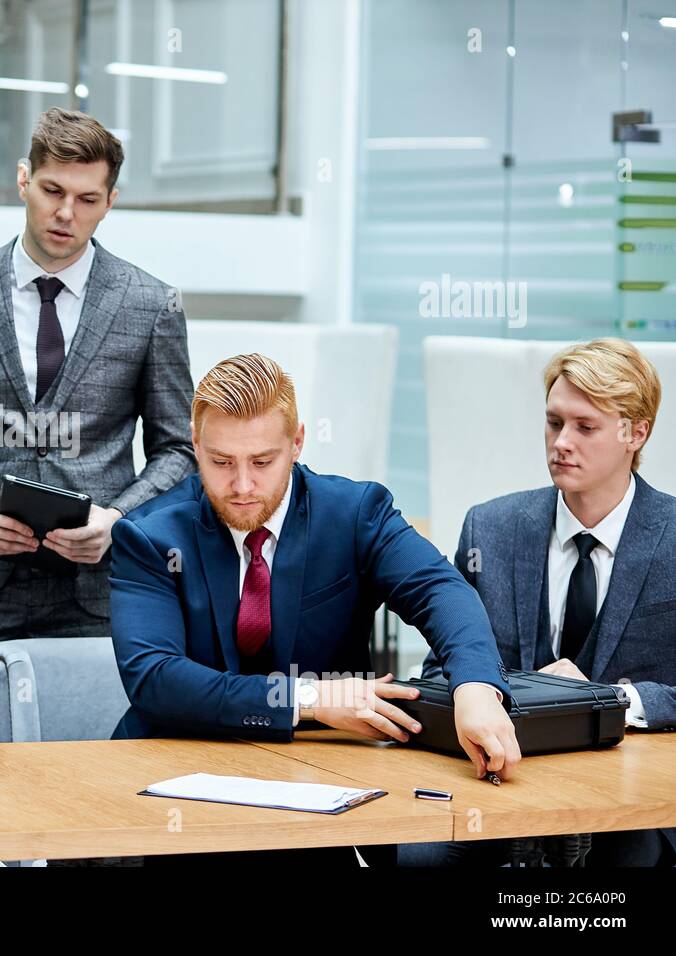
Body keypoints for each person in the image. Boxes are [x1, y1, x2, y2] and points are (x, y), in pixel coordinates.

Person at [109, 354, 520, 866]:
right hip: (177, 794)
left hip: (323, 790)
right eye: (220, 462)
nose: (241, 486)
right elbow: (156, 678)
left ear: (297, 442)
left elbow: (442, 591)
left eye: (262, 462)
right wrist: (307, 697)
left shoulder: (354, 514)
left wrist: (476, 687)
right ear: (194, 444)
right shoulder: (149, 535)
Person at [0, 107, 195, 743]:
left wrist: (119, 522)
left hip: (98, 595)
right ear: (23, 180)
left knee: (93, 808)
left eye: (87, 199)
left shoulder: (152, 304)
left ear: (110, 202)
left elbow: (178, 450)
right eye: (53, 191)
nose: (66, 214)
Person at [403, 338, 675, 867]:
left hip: (631, 796)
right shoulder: (492, 528)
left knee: (629, 854)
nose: (561, 443)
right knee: (420, 856)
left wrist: (612, 700)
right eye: (554, 423)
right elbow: (438, 672)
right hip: (501, 784)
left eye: (585, 426)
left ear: (635, 433)